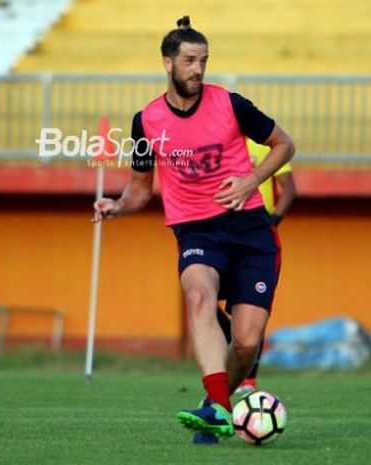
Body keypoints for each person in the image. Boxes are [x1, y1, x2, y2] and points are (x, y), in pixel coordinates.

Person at [92, 16, 295, 445]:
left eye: (203, 60)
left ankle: (215, 407)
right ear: (168, 64)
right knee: (199, 295)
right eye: (189, 60)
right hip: (196, 231)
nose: (198, 69)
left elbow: (285, 144)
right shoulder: (146, 121)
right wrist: (116, 205)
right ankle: (220, 407)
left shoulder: (231, 104)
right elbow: (141, 189)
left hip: (251, 228)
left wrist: (250, 181)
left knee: (245, 343)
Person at [218, 139, 296, 395]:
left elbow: (289, 190)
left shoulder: (265, 146)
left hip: (259, 233)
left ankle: (249, 379)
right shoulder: (220, 145)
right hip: (224, 234)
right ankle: (233, 353)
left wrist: (273, 222)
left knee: (253, 305)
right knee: (200, 298)